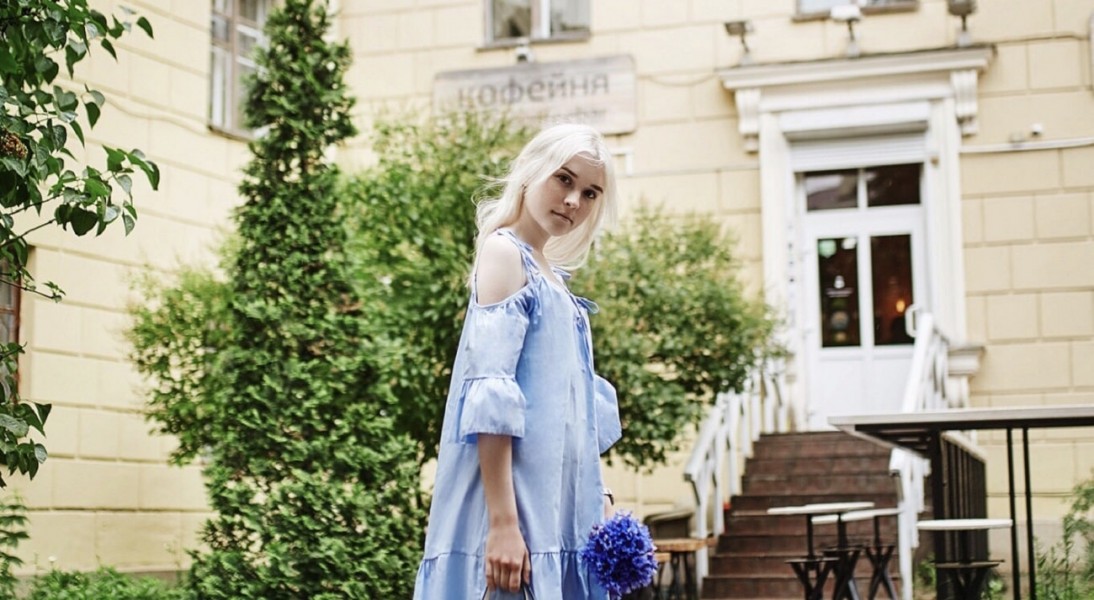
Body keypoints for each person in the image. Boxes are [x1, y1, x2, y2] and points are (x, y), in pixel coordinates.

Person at [413, 123, 623, 600]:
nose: (573, 201)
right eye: (564, 179)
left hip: (558, 515)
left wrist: (600, 496)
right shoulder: (505, 253)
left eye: (590, 193)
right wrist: (504, 525)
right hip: (517, 516)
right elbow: (492, 397)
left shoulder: (555, 279)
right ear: (531, 171)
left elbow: (573, 414)